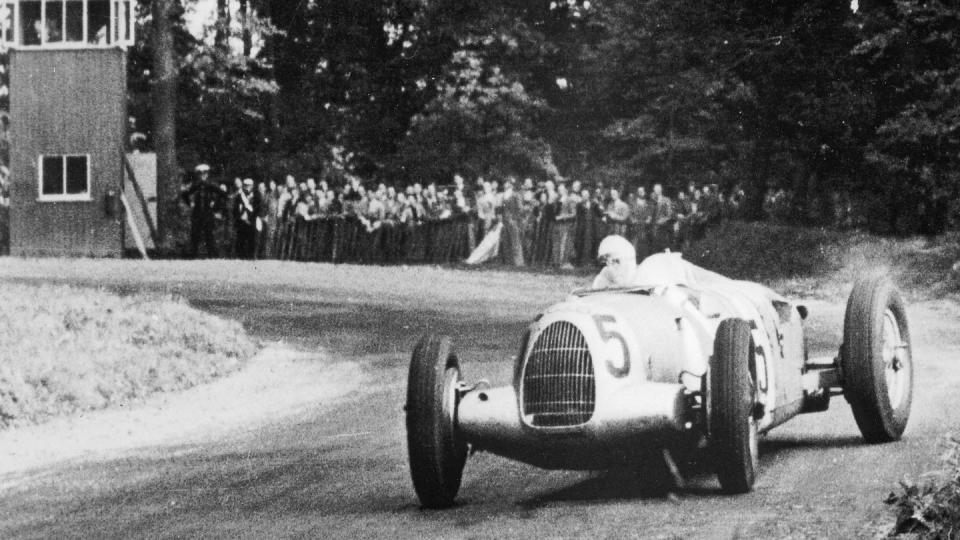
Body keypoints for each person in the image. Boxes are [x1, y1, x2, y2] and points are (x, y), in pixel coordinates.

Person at [182, 164, 224, 258]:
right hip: (197, 213)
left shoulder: (211, 185)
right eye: (200, 174)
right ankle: (193, 256)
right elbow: (184, 194)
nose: (203, 175)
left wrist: (215, 207)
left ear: (207, 174)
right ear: (198, 175)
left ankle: (212, 256)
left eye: (204, 173)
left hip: (208, 213)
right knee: (195, 235)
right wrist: (190, 203)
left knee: (209, 235)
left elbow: (222, 194)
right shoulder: (195, 185)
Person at [233, 177, 262, 259]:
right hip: (242, 220)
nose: (247, 187)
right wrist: (240, 217)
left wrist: (250, 217)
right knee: (241, 238)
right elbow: (236, 208)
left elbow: (258, 208)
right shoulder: (240, 195)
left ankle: (251, 256)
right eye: (246, 185)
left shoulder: (256, 195)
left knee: (251, 239)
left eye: (249, 185)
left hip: (251, 220)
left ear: (252, 186)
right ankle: (240, 256)